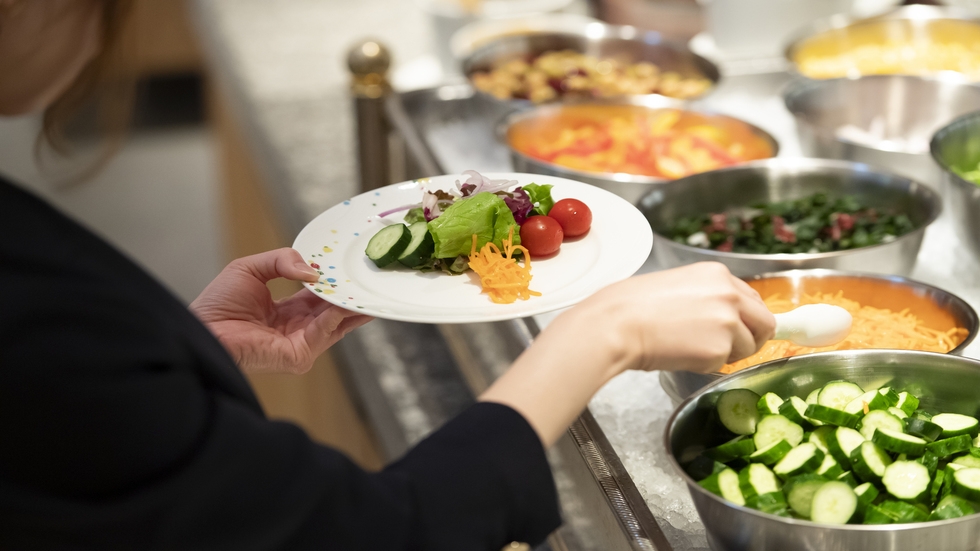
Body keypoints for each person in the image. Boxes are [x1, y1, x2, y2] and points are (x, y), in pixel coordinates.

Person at [0, 1, 776, 549]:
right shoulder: (41, 308)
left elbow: (75, 433)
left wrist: (180, 361)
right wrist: (607, 332)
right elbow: (377, 530)